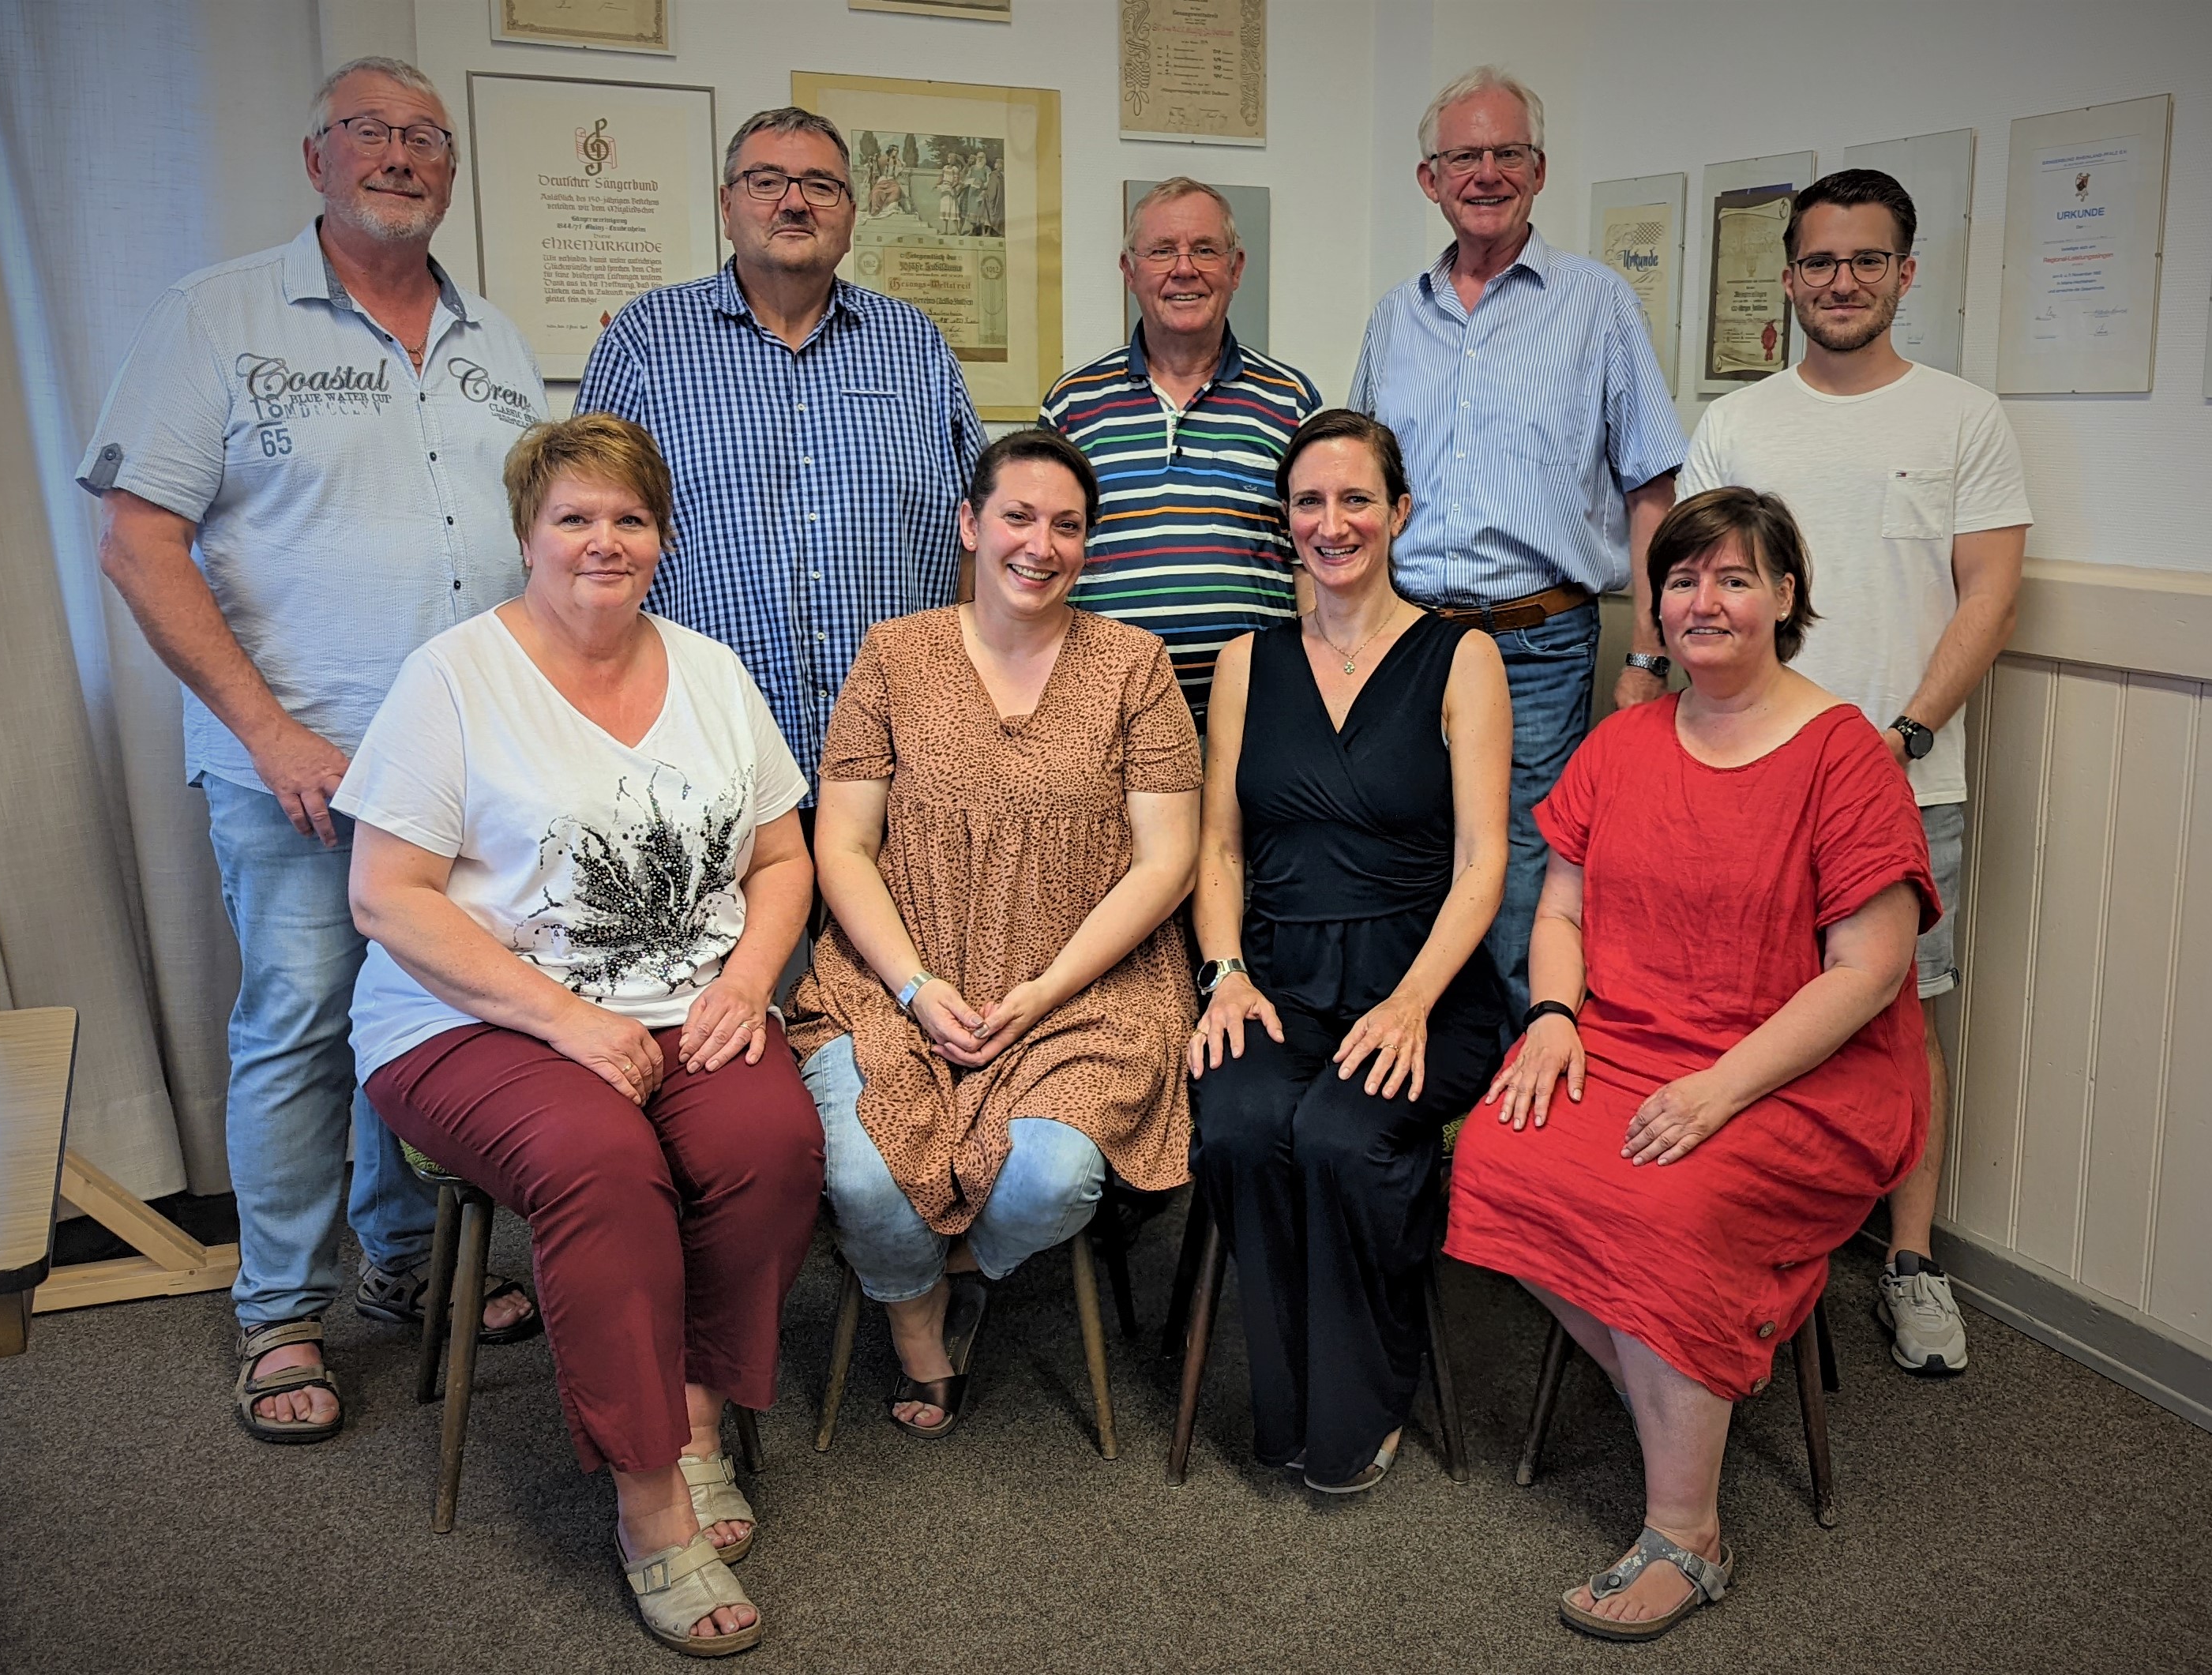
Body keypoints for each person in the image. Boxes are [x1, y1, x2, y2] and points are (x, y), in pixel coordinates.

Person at [78, 55, 545, 1444]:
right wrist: (268, 729)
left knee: (428, 1017)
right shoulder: (215, 318)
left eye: (424, 139)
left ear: (449, 172)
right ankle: (280, 1313)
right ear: (314, 159)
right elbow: (137, 542)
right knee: (299, 1028)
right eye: (369, 134)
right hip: (305, 770)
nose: (398, 156)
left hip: (467, 769)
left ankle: (402, 1267)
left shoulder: (495, 343)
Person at [342, 413, 823, 1656]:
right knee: (602, 1165)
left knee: (771, 1139)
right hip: (471, 1019)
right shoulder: (451, 676)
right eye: (573, 518)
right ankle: (648, 1500)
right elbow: (386, 895)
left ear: (662, 538)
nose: (602, 541)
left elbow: (781, 854)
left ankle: (696, 1416)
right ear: (525, 537)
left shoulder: (711, 673)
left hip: (689, 1006)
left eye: (628, 518)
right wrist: (565, 1021)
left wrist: (750, 980)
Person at [1447, 487, 1937, 1643]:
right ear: (1654, 606)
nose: (1700, 601)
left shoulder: (1842, 756)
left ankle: (1689, 1530)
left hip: (1802, 1076)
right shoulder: (1621, 741)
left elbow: (1865, 972)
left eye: (1730, 578)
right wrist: (1555, 1015)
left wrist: (1722, 1089)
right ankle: (1676, 1377)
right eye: (1679, 581)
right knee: (1493, 1151)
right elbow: (1557, 908)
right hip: (1620, 1042)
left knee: (1665, 1205)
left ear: (1781, 597)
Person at [1681, 168, 2031, 1377]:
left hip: (1901, 780)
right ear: (1786, 279)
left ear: (1903, 274)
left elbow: (1987, 590)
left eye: (1865, 260)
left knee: (1896, 1014)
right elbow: (1702, 595)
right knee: (1738, 1004)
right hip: (1747, 778)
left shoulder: (1960, 418)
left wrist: (1909, 732)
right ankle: (1744, 1236)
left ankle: (1907, 1262)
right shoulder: (1737, 424)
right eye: (1819, 262)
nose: (1840, 281)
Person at [787, 430, 1202, 1437]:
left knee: (1055, 1179)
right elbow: (841, 844)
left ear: (1087, 545)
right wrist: (913, 986)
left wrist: (1044, 991)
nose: (1040, 544)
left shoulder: (1134, 666)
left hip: (1086, 987)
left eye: (1067, 525)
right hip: (902, 968)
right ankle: (923, 1319)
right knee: (857, 1176)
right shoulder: (894, 654)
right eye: (1017, 516)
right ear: (972, 526)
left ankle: (950, 1263)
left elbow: (1165, 862)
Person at [1189, 410, 1512, 1492]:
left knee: (1337, 1133)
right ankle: (1284, 1402)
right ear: (1285, 522)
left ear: (1398, 512)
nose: (1333, 523)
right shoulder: (1246, 663)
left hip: (1421, 984)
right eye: (1310, 502)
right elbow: (1219, 848)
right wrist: (1223, 971)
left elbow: (1481, 865)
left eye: (1355, 499)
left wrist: (1415, 1001)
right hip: (1276, 982)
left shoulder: (1461, 656)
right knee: (1235, 1124)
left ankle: (1367, 1389)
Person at [1350, 65, 1685, 1020]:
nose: (1485, 172)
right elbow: (1358, 486)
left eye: (1506, 154)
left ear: (1538, 172)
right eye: (1464, 156)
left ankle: (1512, 1100)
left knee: (1524, 860)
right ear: (1429, 179)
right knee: (1401, 841)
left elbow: (1653, 488)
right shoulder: (1394, 317)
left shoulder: (1597, 305)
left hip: (1537, 643)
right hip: (1404, 637)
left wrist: (1649, 657)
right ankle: (1410, 1071)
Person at [576, 107, 985, 800]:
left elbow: (980, 529)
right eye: (766, 181)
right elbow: (583, 540)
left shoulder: (914, 344)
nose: (793, 202)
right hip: (701, 766)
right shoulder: (647, 340)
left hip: (902, 767)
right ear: (726, 205)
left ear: (852, 214)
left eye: (820, 185)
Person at [1042, 178, 1322, 731]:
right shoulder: (1071, 405)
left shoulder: (1290, 401)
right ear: (1129, 271)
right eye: (1161, 250)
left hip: (1257, 719)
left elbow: (1313, 564)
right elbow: (1040, 561)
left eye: (1205, 249)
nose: (1184, 268)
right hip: (1104, 722)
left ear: (1236, 268)